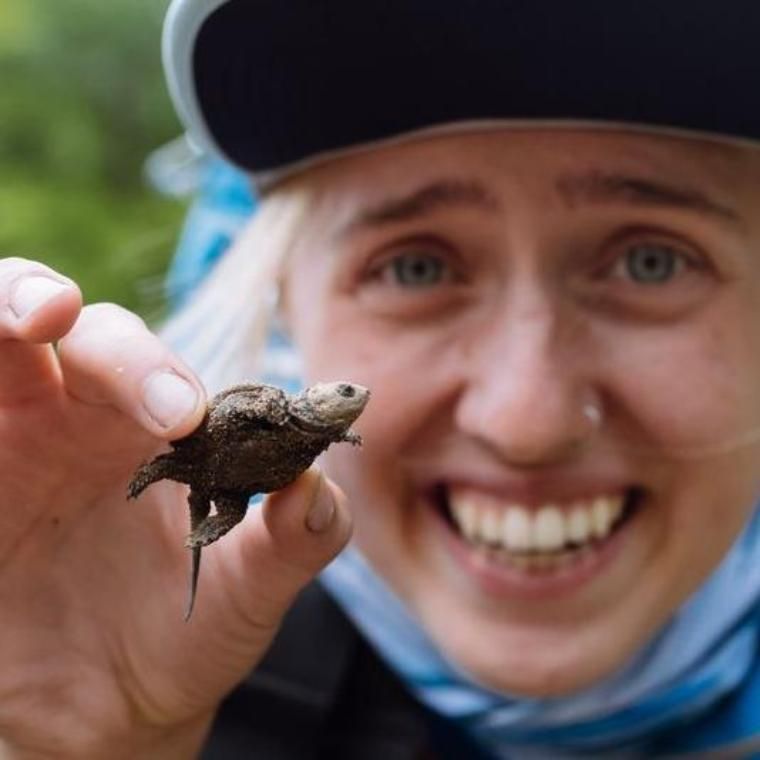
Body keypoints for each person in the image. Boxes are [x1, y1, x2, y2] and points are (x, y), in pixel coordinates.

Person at [2, 1, 760, 757]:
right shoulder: (154, 663)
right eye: (415, 267)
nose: (526, 421)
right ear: (282, 311)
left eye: (651, 263)